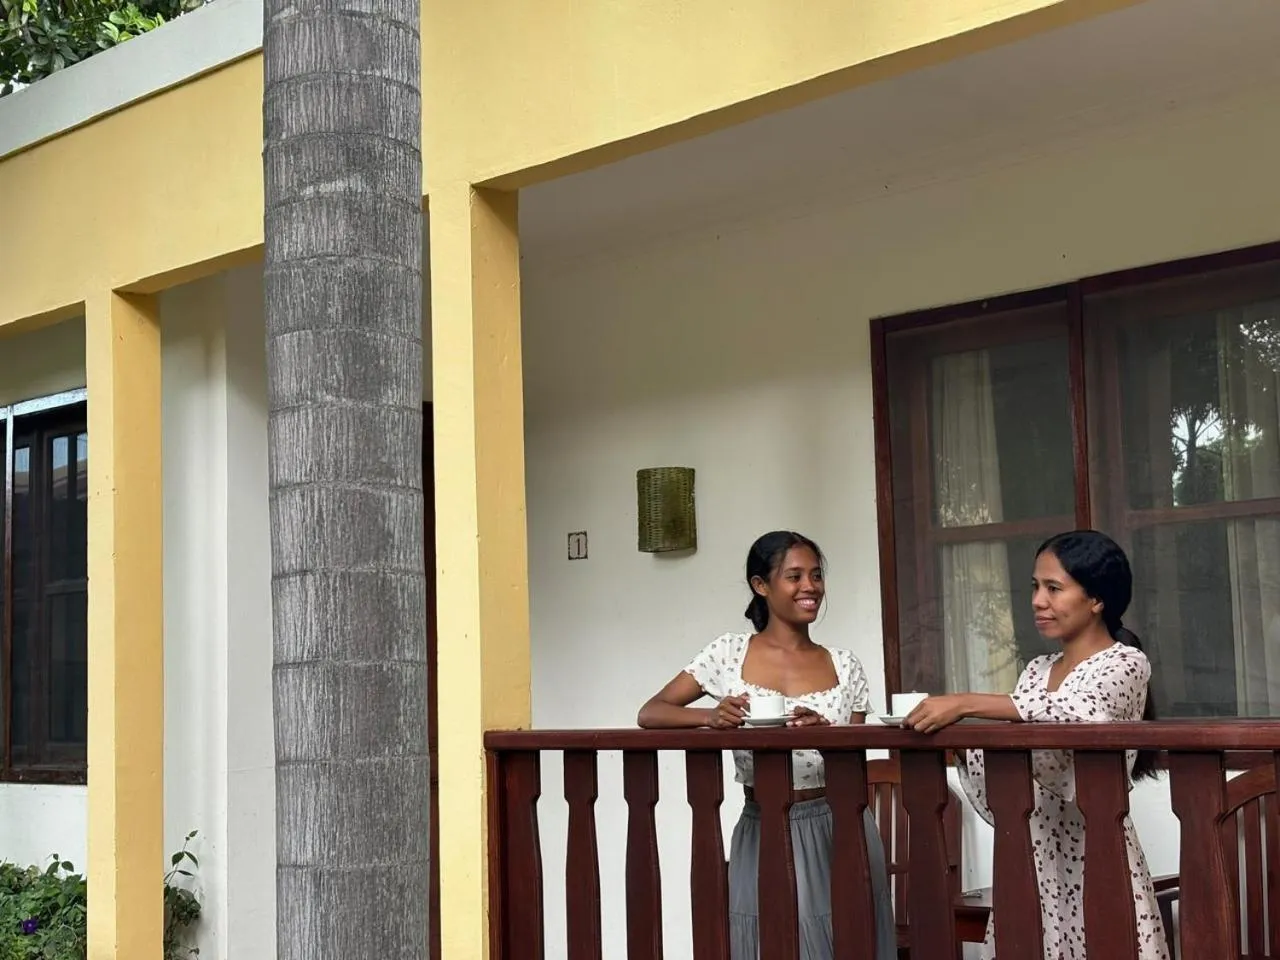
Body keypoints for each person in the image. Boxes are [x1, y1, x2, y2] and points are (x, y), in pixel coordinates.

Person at [904, 529, 1170, 960]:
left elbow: (1083, 715)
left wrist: (966, 703)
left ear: (1097, 599)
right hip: (1031, 854)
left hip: (1097, 851)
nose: (1037, 601)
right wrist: (958, 744)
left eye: (1053, 588)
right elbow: (1013, 773)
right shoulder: (1035, 671)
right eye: (1034, 586)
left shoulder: (1126, 662)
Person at [638, 531, 895, 960]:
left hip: (840, 824)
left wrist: (825, 732)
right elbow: (651, 712)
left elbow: (855, 758)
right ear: (761, 585)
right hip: (763, 823)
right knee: (764, 941)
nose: (810, 586)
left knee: (847, 939)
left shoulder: (845, 664)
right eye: (794, 576)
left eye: (816, 575)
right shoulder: (729, 653)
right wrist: (711, 717)